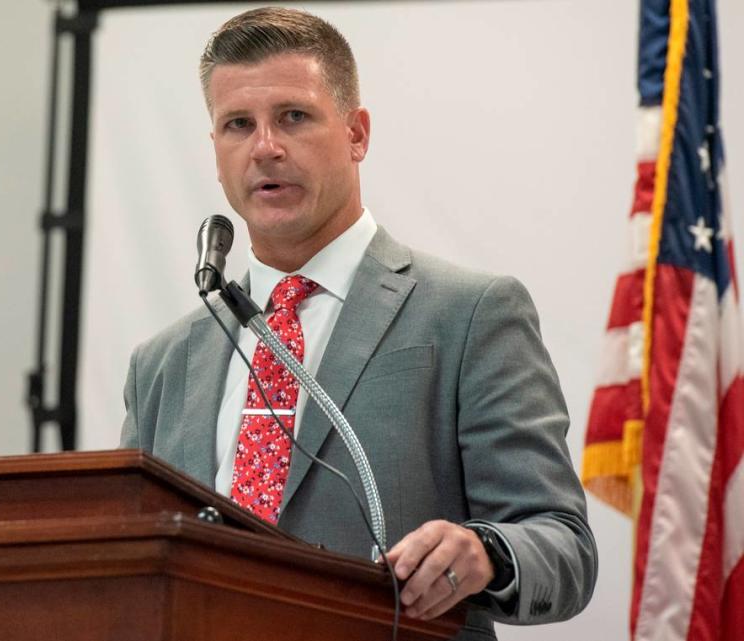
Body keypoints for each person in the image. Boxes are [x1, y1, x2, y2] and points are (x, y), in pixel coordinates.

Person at [118, 7, 596, 640]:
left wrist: (484, 552)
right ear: (216, 152)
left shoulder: (471, 314)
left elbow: (563, 547)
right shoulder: (163, 362)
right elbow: (123, 557)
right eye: (239, 124)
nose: (266, 147)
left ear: (356, 133)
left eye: (293, 116)